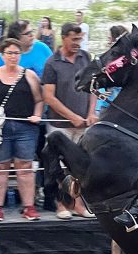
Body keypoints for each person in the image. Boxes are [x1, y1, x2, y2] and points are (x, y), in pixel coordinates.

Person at [0, 38, 43, 222]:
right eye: (9, 53)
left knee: (25, 166)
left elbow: (39, 100)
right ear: (2, 54)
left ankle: (29, 207)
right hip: (0, 128)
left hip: (26, 128)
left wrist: (37, 115)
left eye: (16, 53)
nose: (13, 56)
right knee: (0, 166)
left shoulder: (29, 75)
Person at [42, 22, 98, 220]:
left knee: (80, 168)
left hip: (83, 125)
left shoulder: (86, 57)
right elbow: (49, 97)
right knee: (58, 168)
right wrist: (72, 117)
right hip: (59, 126)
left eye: (80, 39)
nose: (78, 43)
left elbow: (93, 88)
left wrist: (92, 112)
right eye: (74, 39)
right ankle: (61, 205)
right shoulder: (51, 63)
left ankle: (79, 205)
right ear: (63, 37)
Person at [95, 25, 128, 116]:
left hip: (117, 105)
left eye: (110, 39)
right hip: (109, 104)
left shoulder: (122, 61)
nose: (108, 42)